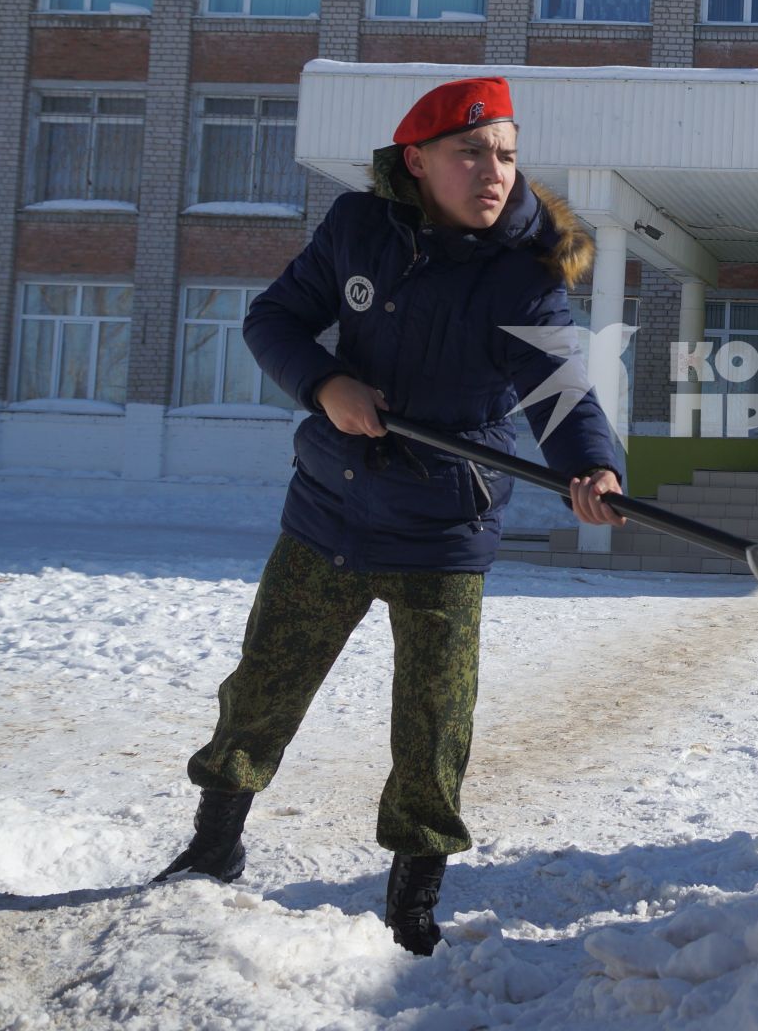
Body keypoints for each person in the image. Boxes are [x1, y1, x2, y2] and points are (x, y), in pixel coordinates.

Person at [153, 77, 627, 956]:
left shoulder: (525, 273)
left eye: (508, 154)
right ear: (418, 162)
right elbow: (275, 320)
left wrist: (593, 467)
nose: (495, 172)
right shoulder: (358, 229)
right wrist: (326, 383)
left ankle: (413, 896)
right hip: (330, 508)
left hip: (443, 528)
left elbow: (562, 395)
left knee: (435, 722)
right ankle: (213, 846)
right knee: (264, 685)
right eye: (471, 152)